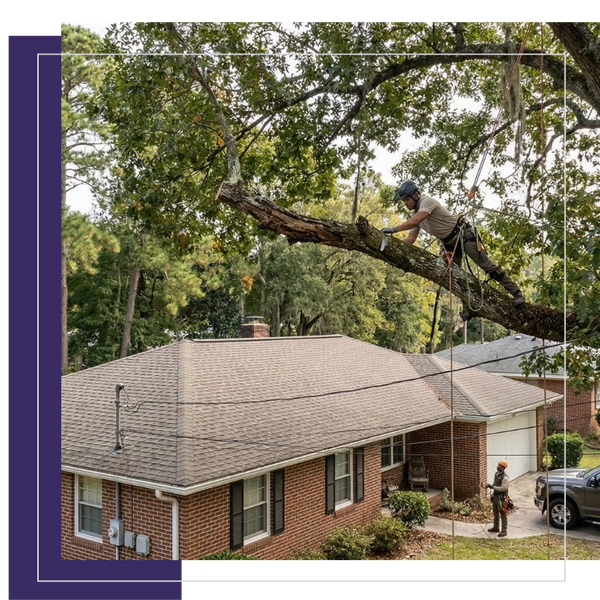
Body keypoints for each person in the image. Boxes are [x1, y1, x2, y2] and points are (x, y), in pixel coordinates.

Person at [381, 181, 525, 306]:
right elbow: (410, 240)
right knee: (453, 276)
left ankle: (517, 293)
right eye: (403, 201)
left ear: (415, 195)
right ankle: (468, 302)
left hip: (463, 235)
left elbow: (416, 221)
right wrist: (391, 243)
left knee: (486, 265)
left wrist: (394, 229)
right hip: (449, 244)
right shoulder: (414, 216)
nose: (405, 203)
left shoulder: (427, 202)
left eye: (406, 199)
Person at [486, 460, 510, 537]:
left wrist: (493, 487)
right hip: (496, 496)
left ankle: (504, 530)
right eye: (498, 464)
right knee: (495, 512)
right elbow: (495, 483)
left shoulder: (505, 478)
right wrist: (491, 487)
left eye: (499, 465)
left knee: (503, 513)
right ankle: (496, 527)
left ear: (503, 468)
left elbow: (503, 488)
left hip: (502, 498)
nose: (497, 466)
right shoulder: (496, 474)